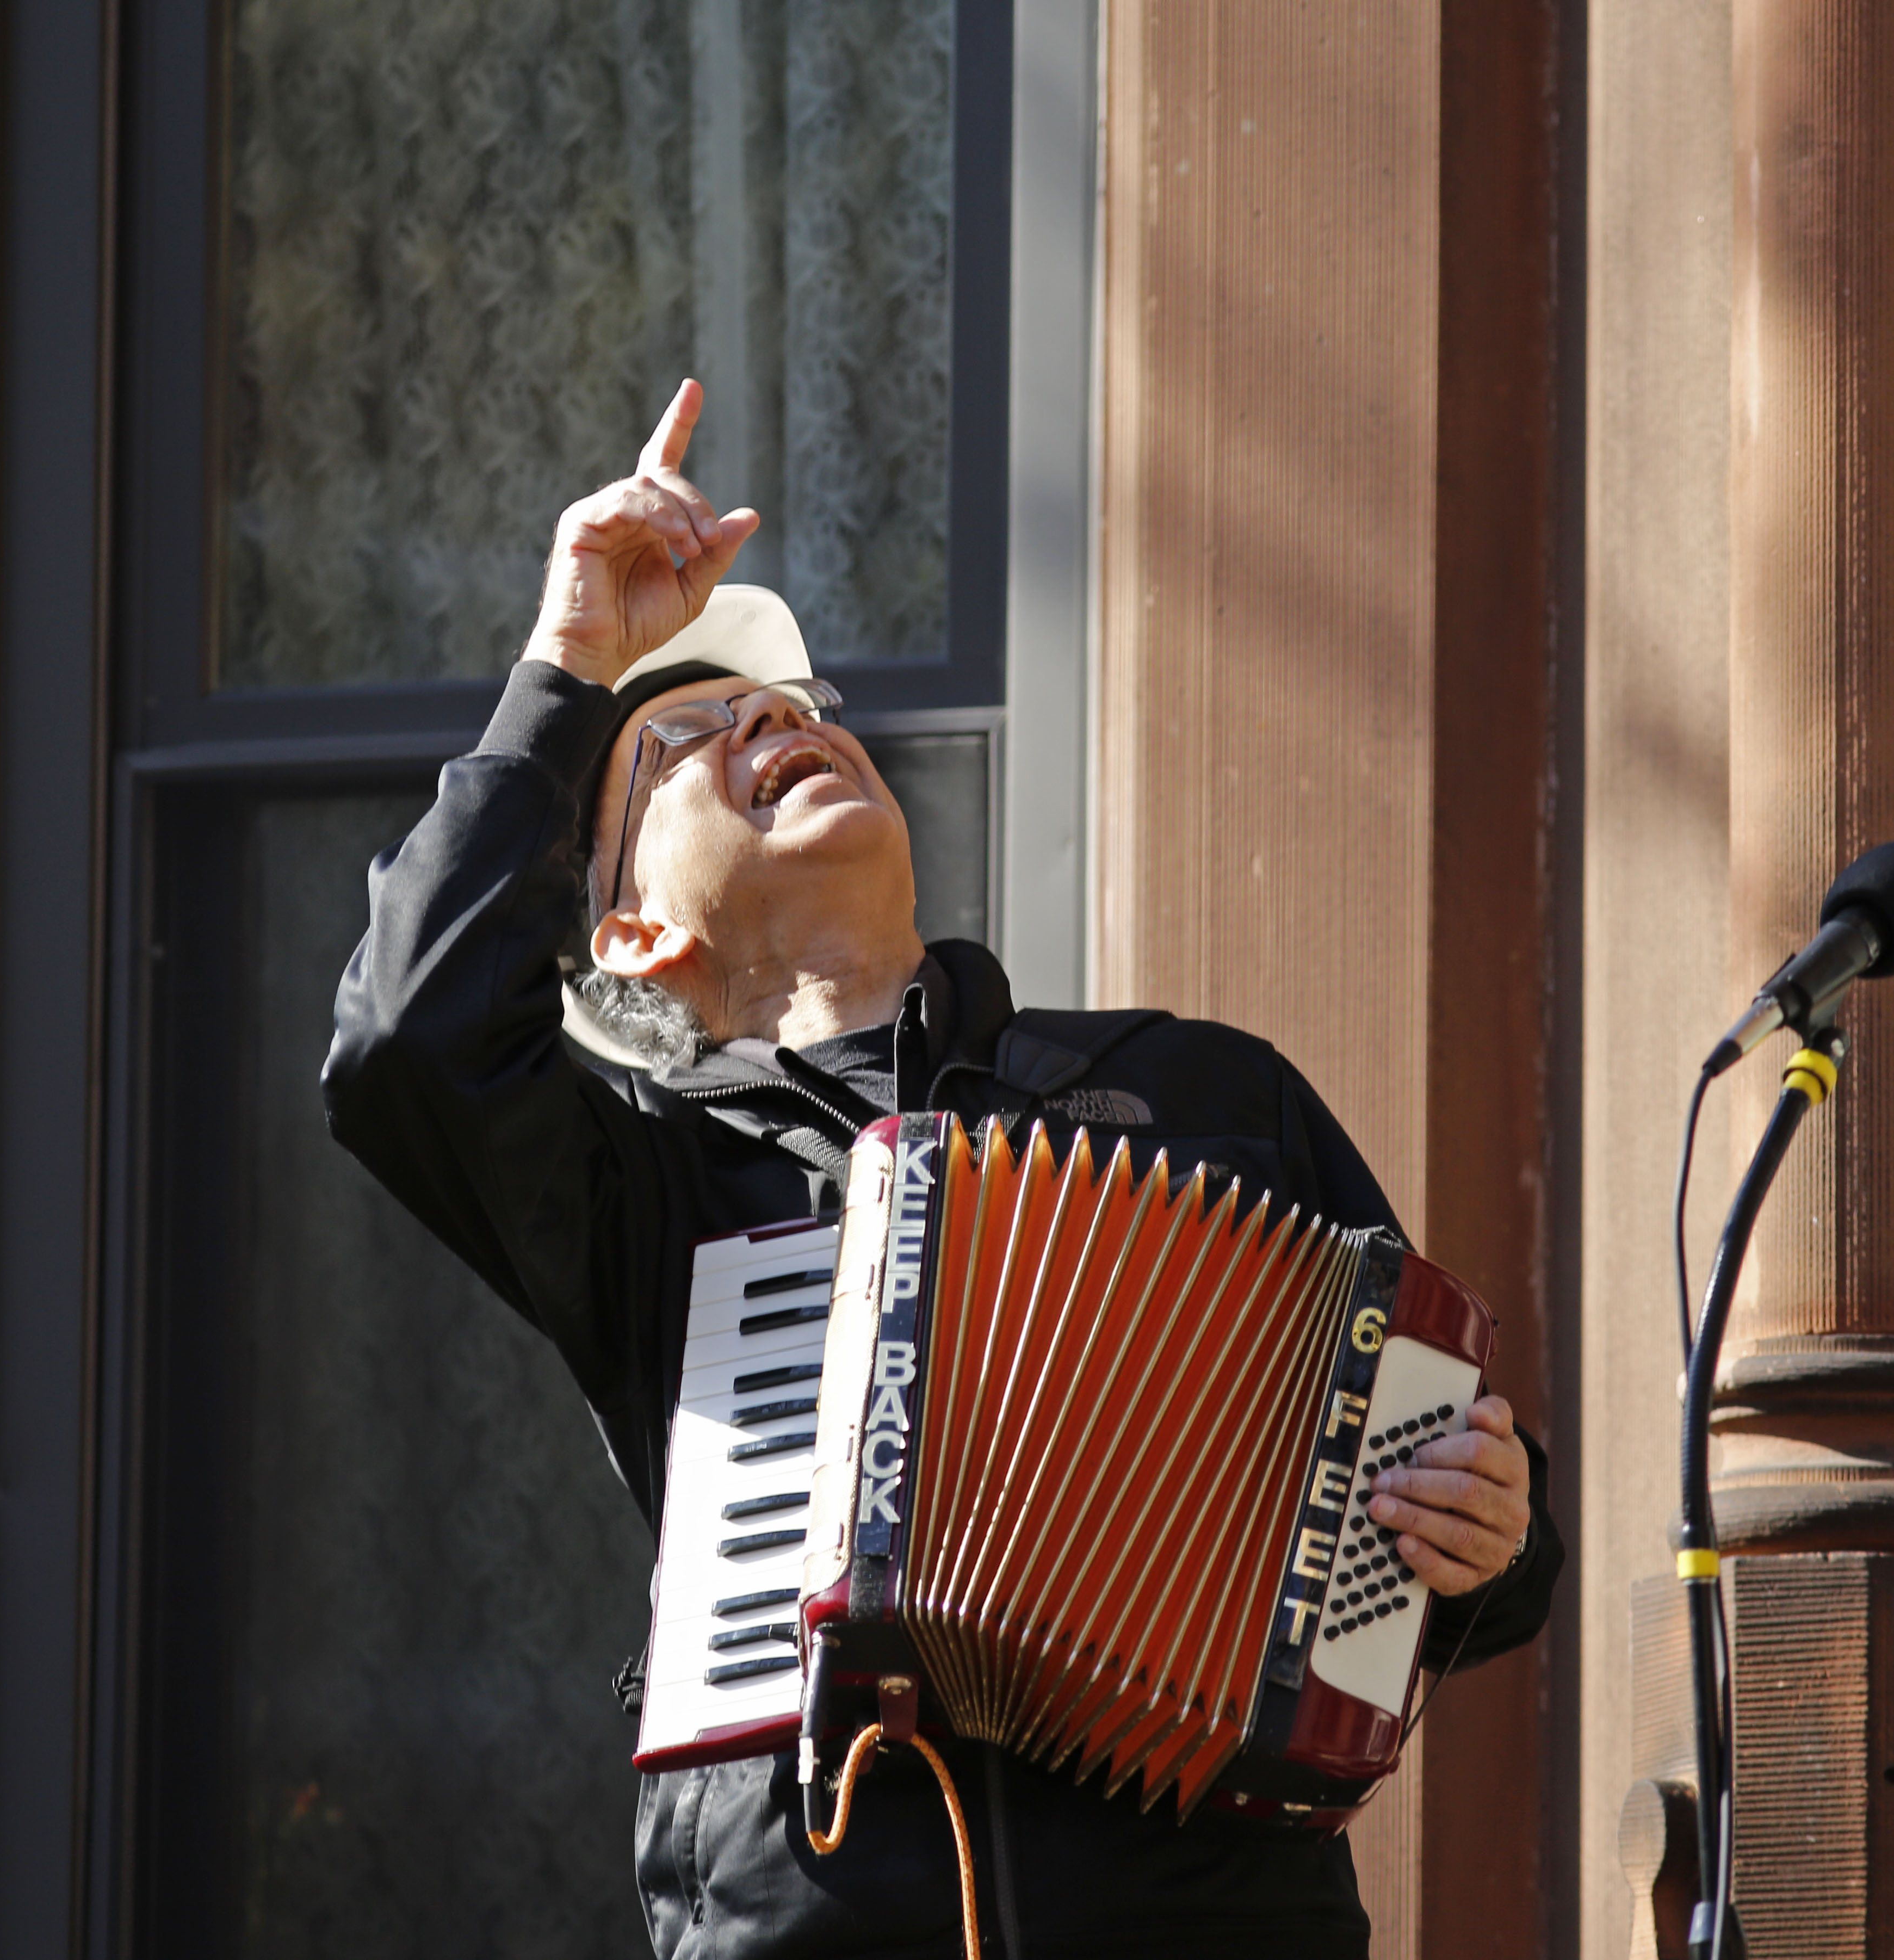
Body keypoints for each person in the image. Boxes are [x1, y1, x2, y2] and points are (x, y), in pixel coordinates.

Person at [324, 381, 1563, 1960]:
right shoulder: (651, 1192)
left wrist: (1495, 1525)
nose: (777, 719)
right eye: (697, 736)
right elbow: (404, 1042)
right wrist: (573, 658)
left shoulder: (1197, 1091)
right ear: (635, 930)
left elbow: (1459, 1558)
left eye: (794, 704)